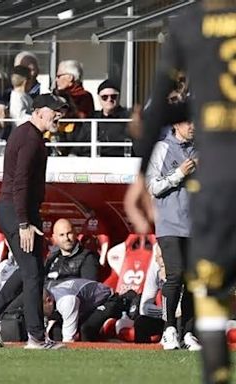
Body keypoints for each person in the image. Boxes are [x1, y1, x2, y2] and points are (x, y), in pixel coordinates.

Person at [123, 2, 236, 383]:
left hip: (218, 171)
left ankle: (215, 368)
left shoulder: (188, 25)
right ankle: (189, 334)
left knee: (208, 280)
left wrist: (139, 177)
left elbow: (157, 106)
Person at [0, 95, 68, 350]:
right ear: (38, 112)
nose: (59, 116)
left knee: (32, 269)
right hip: (17, 211)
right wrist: (24, 223)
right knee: (32, 272)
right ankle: (36, 338)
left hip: (18, 210)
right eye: (55, 111)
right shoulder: (30, 139)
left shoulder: (30, 135)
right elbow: (20, 183)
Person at [0, 218, 99, 346]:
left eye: (69, 233)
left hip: (65, 305)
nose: (66, 238)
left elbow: (87, 289)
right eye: (62, 235)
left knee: (53, 323)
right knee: (23, 294)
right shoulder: (52, 257)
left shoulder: (87, 257)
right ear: (54, 238)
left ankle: (17, 330)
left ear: (76, 233)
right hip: (45, 300)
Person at [145, 102, 199, 351]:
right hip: (170, 224)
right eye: (188, 122)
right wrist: (179, 174)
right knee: (175, 275)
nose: (193, 126)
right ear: (176, 123)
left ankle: (188, 333)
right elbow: (152, 187)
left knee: (194, 280)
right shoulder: (162, 148)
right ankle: (168, 329)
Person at [43, 278, 112, 342]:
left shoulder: (66, 300)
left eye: (41, 309)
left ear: (49, 301)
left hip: (107, 300)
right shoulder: (52, 296)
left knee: (86, 329)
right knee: (55, 332)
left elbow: (68, 339)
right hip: (85, 309)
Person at [92, 79, 131, 157]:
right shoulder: (92, 119)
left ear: (119, 97)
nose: (109, 100)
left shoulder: (128, 119)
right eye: (104, 97)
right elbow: (80, 147)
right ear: (99, 98)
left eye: (113, 96)